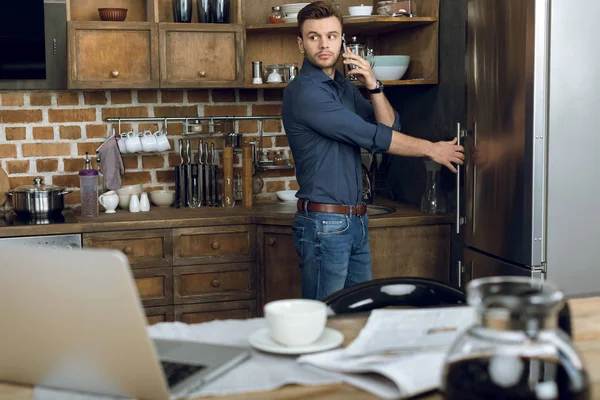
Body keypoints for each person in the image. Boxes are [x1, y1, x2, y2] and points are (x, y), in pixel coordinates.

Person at [282, 1, 464, 300]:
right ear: (301, 44)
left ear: (342, 41)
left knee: (359, 314)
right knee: (325, 320)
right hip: (325, 225)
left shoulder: (343, 87)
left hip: (355, 223)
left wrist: (374, 86)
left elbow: (390, 127)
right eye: (314, 36)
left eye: (331, 35)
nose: (324, 43)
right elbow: (372, 137)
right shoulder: (305, 92)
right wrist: (432, 150)